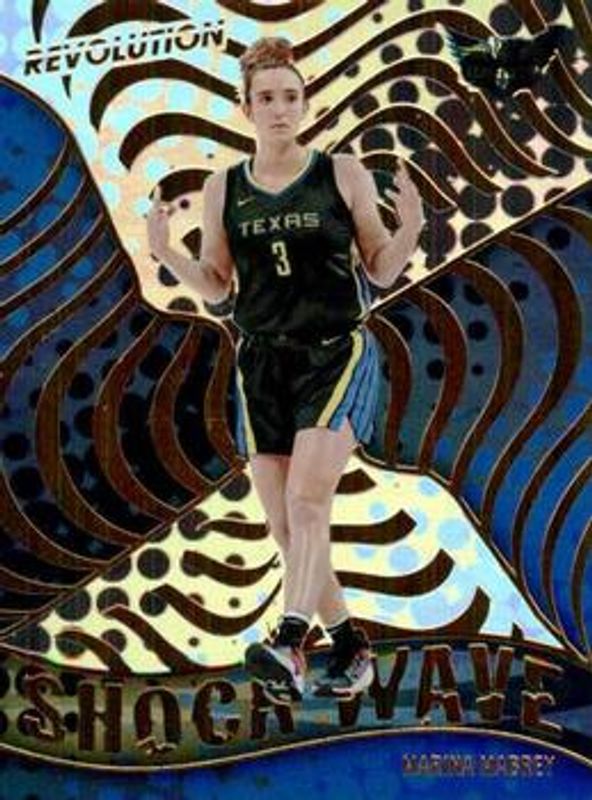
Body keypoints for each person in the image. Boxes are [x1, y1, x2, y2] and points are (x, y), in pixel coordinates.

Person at [147, 37, 424, 704]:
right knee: (287, 528)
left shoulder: (342, 173)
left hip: (334, 352)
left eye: (291, 97)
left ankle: (289, 639)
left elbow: (381, 270)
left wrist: (411, 227)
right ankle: (351, 646)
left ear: (304, 104)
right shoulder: (224, 187)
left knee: (307, 501)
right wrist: (165, 252)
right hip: (260, 360)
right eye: (266, 98)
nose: (280, 108)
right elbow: (217, 286)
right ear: (246, 107)